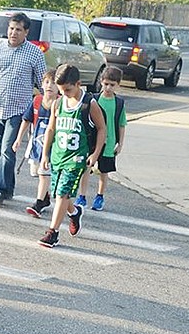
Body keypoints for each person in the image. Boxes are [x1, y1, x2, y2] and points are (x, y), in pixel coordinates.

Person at [0, 12, 48, 206]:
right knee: (0, 153)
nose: (14, 33)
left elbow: (43, 82)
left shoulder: (34, 53)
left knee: (7, 151)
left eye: (18, 30)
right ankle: (7, 188)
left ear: (26, 32)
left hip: (19, 112)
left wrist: (49, 106)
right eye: (11, 28)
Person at [37, 64, 106, 248]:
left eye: (68, 89)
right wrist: (45, 154)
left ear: (78, 84)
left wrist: (95, 154)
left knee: (62, 193)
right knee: (59, 195)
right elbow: (51, 128)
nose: (65, 93)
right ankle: (74, 212)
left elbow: (101, 129)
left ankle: (53, 233)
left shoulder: (88, 104)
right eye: (61, 90)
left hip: (76, 159)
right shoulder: (58, 103)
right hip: (58, 156)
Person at [76, 67, 127, 211]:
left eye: (112, 84)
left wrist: (120, 143)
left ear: (118, 84)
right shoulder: (94, 100)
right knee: (86, 168)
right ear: (101, 82)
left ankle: (100, 196)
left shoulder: (119, 103)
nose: (108, 87)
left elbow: (122, 124)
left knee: (104, 171)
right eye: (106, 84)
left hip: (109, 141)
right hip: (92, 141)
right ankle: (82, 196)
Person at [22, 71, 59, 218]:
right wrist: (19, 140)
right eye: (47, 82)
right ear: (42, 84)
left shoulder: (60, 103)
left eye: (54, 83)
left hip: (53, 145)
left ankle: (38, 203)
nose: (50, 86)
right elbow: (27, 119)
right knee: (37, 172)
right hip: (37, 143)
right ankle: (45, 198)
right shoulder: (37, 101)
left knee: (44, 174)